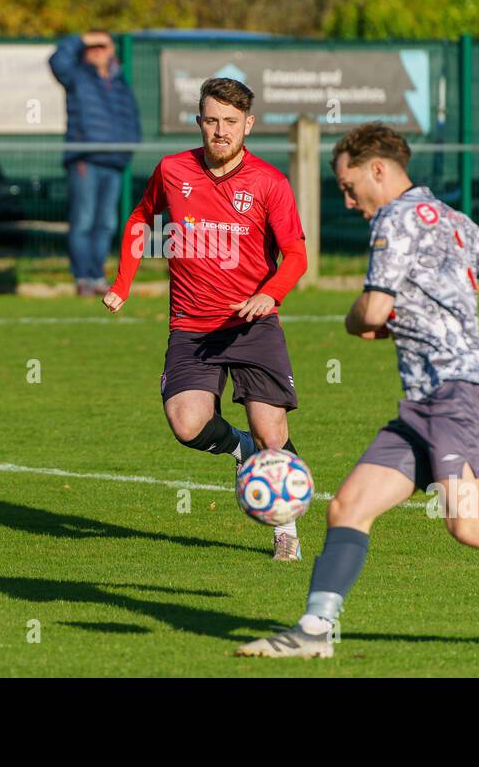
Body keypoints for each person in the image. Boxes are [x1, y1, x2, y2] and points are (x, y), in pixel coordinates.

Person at [236, 122, 479, 657]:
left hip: (458, 392)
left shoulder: (393, 221)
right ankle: (314, 631)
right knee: (348, 506)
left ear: (377, 170)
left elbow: (373, 310)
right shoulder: (452, 218)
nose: (348, 199)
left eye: (348, 184)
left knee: (469, 522)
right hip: (428, 401)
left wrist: (357, 321)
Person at [102, 77, 309, 561]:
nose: (221, 131)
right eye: (212, 121)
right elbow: (140, 218)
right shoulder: (173, 170)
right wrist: (122, 283)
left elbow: (296, 253)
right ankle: (239, 449)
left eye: (231, 123)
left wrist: (269, 294)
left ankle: (285, 531)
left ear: (248, 125)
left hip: (252, 323)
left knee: (271, 432)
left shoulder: (268, 182)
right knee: (187, 423)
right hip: (192, 324)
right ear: (200, 122)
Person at [48, 30, 141, 297]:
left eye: (104, 45)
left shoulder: (120, 82)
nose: (98, 50)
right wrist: (82, 39)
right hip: (85, 160)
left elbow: (132, 119)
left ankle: (97, 275)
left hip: (113, 163)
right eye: (94, 46)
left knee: (106, 224)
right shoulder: (77, 75)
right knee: (84, 220)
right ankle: (83, 278)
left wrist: (126, 151)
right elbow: (57, 60)